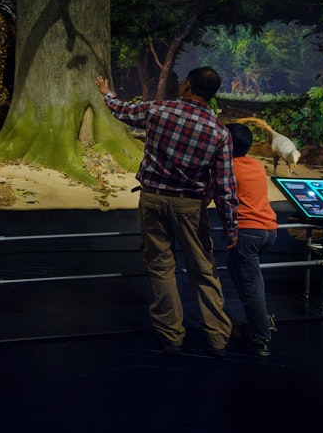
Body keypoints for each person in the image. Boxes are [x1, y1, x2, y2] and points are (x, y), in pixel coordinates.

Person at [95, 67, 238, 358]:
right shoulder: (219, 132)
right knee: (204, 270)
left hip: (153, 200)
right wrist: (231, 227)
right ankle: (218, 338)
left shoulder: (159, 110)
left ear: (186, 85)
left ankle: (172, 336)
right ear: (211, 95)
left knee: (161, 267)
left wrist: (105, 92)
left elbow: (122, 110)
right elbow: (224, 188)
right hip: (190, 206)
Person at [224, 122, 278, 357]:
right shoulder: (257, 165)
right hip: (269, 231)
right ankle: (255, 323)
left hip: (247, 233)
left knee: (250, 286)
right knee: (241, 276)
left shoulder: (227, 168)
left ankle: (261, 336)